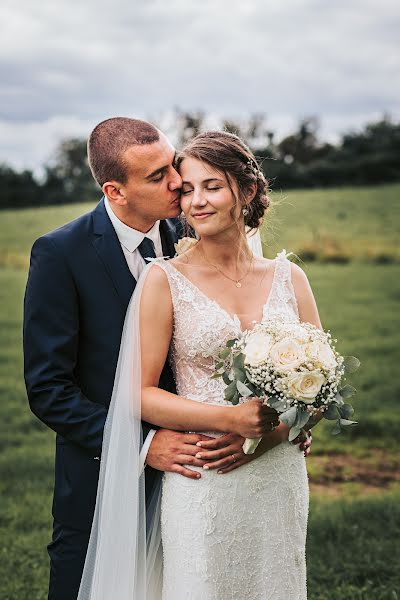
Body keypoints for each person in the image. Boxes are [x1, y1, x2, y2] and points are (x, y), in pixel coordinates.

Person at [23, 119, 311, 600]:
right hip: (109, 474)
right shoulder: (61, 253)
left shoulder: (195, 222)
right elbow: (49, 389)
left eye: (173, 164)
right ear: (116, 191)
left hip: (216, 468)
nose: (178, 183)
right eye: (158, 176)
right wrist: (143, 445)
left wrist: (283, 423)